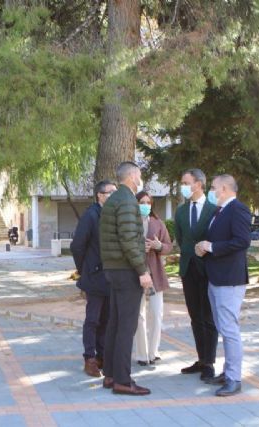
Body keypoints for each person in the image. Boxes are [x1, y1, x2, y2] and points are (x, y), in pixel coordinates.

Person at [99, 161, 153, 396]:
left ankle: (110, 375)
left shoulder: (113, 200)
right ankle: (122, 380)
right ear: (131, 177)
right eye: (139, 175)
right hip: (126, 271)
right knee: (126, 326)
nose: (140, 179)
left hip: (114, 269)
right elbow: (129, 240)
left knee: (115, 323)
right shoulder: (128, 201)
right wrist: (142, 271)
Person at [195, 174, 251, 397]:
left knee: (229, 329)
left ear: (225, 188)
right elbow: (217, 240)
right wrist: (204, 248)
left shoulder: (237, 209)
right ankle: (227, 372)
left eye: (213, 187)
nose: (211, 191)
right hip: (216, 277)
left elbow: (242, 241)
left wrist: (212, 247)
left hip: (230, 279)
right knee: (223, 327)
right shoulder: (220, 211)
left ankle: (234, 379)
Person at [174, 168, 219, 381]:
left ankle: (209, 362)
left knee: (208, 316)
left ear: (198, 184)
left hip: (207, 269)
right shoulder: (181, 211)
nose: (183, 186)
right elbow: (181, 238)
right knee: (195, 317)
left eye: (186, 182)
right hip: (188, 269)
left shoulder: (213, 210)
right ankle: (201, 359)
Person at [70, 180, 117, 377]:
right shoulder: (91, 215)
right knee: (93, 319)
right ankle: (89, 358)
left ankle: (102, 356)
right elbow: (77, 246)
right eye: (110, 192)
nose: (114, 195)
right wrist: (84, 268)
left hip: (110, 276)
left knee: (106, 319)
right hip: (94, 276)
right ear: (100, 195)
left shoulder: (113, 215)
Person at [133, 191, 173, 367]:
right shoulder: (130, 222)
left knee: (156, 314)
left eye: (148, 202)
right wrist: (139, 247)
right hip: (136, 274)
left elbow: (169, 246)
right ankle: (142, 354)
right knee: (139, 316)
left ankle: (153, 351)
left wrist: (158, 246)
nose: (145, 205)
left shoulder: (158, 223)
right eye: (142, 202)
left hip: (155, 274)